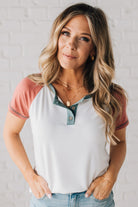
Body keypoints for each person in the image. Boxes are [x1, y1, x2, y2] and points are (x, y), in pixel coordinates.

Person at [3, 3, 129, 207]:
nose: (71, 44)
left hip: (95, 201)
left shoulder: (111, 96)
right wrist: (29, 176)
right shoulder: (31, 89)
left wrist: (110, 178)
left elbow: (120, 142)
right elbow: (10, 132)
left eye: (83, 38)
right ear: (57, 36)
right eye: (66, 33)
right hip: (47, 200)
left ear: (94, 49)